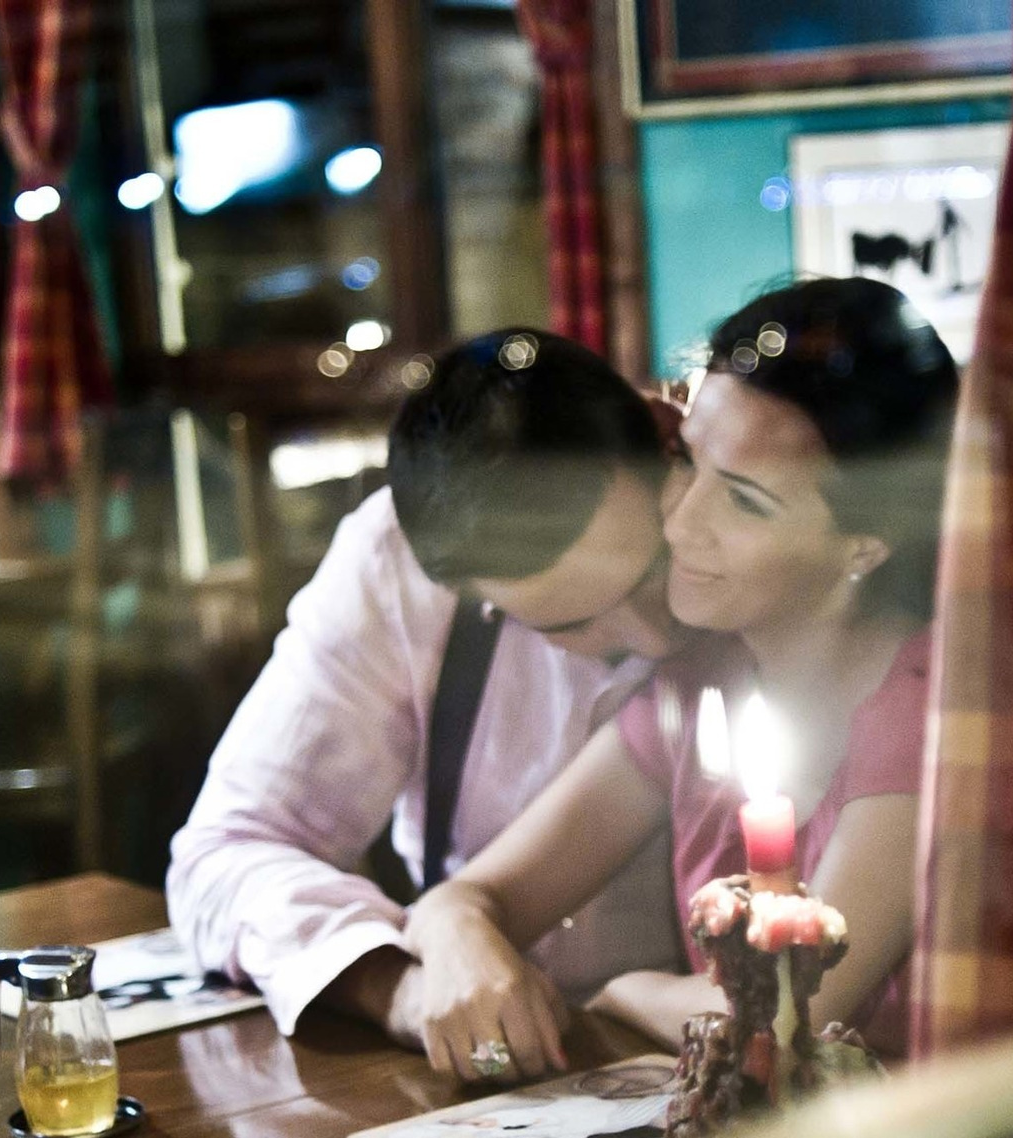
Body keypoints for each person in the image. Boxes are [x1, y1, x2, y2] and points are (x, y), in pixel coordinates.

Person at [403, 278, 957, 1082]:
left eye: (743, 501)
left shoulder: (920, 705)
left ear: (865, 544)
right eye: (689, 462)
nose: (680, 521)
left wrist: (623, 990)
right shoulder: (702, 680)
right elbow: (468, 898)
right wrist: (458, 937)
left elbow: (787, 1020)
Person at [167, 329, 690, 1053]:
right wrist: (406, 987)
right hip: (493, 1085)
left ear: (665, 441)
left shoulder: (738, 511)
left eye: (653, 569)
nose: (657, 638)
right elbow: (224, 855)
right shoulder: (398, 562)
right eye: (574, 621)